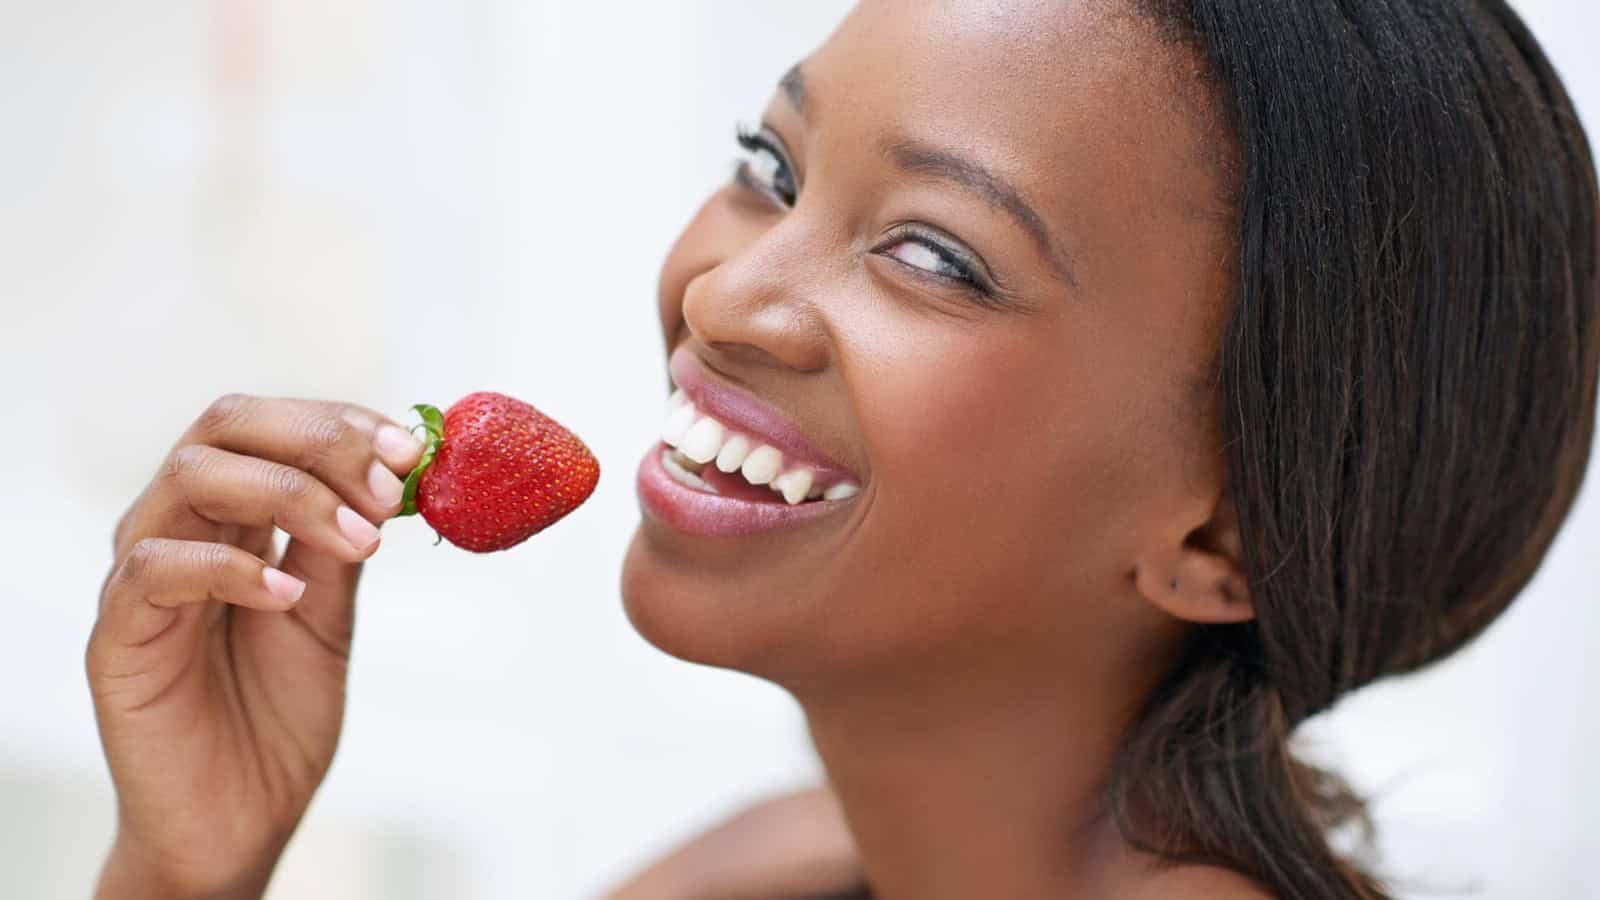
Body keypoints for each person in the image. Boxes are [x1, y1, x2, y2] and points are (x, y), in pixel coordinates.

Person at [86, 1, 1599, 898]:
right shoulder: (775, 866)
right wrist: (184, 867)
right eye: (771, 168)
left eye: (937, 256)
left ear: (1231, 541)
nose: (726, 295)